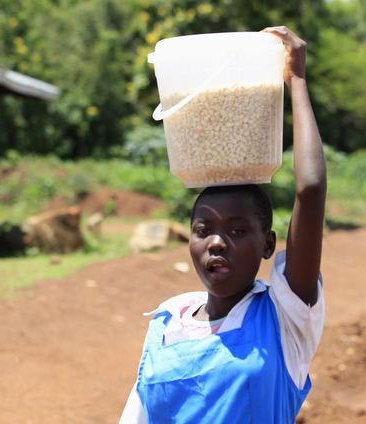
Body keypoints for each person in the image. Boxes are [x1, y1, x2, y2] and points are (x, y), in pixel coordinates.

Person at [120, 26, 326, 423]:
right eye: (203, 229)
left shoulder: (285, 320)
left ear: (268, 244)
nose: (216, 242)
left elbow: (311, 190)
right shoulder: (169, 321)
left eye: (237, 231)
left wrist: (296, 80)